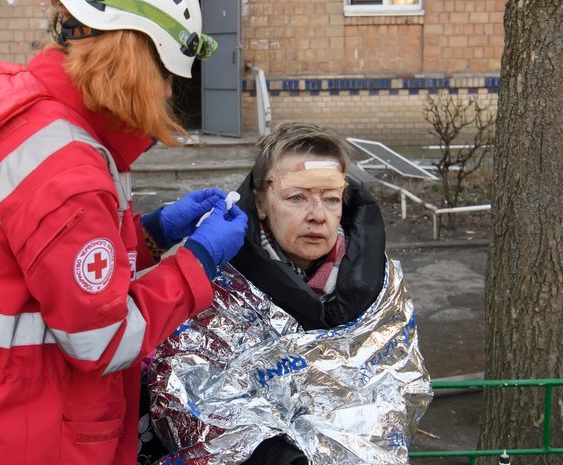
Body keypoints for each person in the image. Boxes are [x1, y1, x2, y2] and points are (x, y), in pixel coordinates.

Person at [0, 1, 247, 464]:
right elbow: (107, 341)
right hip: (7, 434)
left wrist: (152, 232)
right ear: (131, 60)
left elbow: (47, 268)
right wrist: (198, 261)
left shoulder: (37, 122)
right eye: (166, 74)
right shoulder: (64, 170)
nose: (169, 92)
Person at [142, 123, 432, 465]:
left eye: (331, 198)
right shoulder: (214, 282)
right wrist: (275, 456)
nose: (317, 216)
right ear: (262, 203)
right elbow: (180, 396)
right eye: (297, 197)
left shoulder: (382, 284)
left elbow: (399, 388)